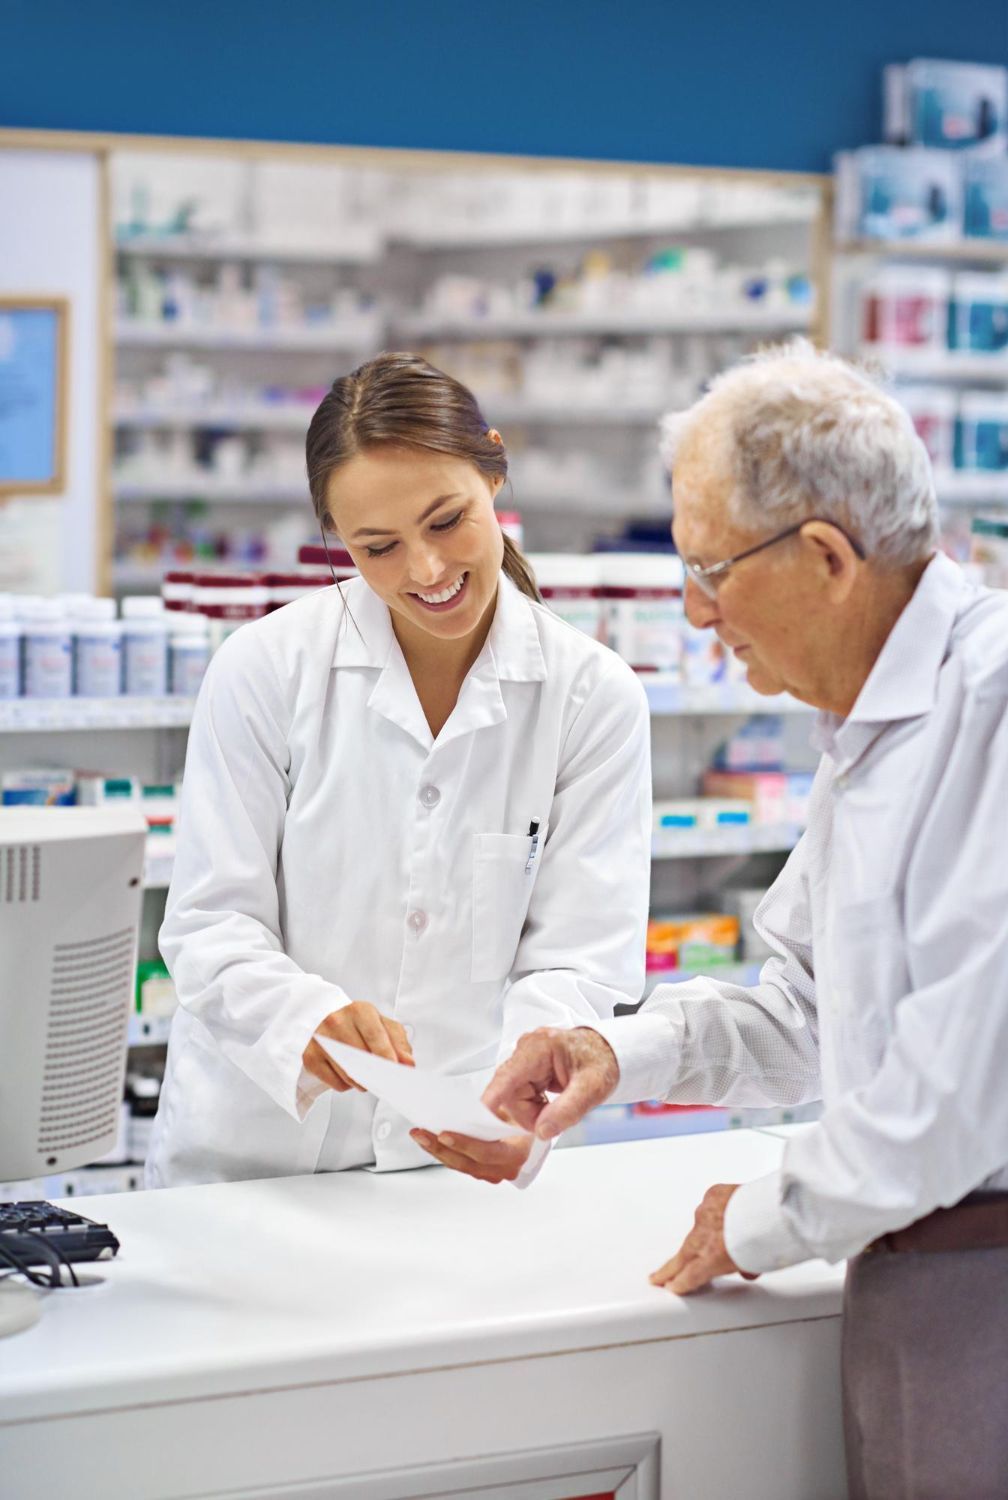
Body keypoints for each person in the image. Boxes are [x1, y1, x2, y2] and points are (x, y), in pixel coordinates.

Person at [485, 341, 1008, 1499]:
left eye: (710, 570)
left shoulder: (992, 712)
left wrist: (763, 1218)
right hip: (905, 1273)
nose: (693, 609)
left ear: (826, 556)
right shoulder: (867, 725)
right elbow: (815, 1015)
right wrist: (617, 1050)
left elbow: (954, 1093)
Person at [146, 352, 651, 1192]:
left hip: (448, 1162)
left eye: (447, 521)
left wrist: (518, 1099)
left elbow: (579, 960)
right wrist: (303, 1019)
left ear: (493, 467)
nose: (423, 571)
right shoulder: (265, 668)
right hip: (247, 1166)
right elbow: (209, 926)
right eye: (376, 547)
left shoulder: (590, 698)